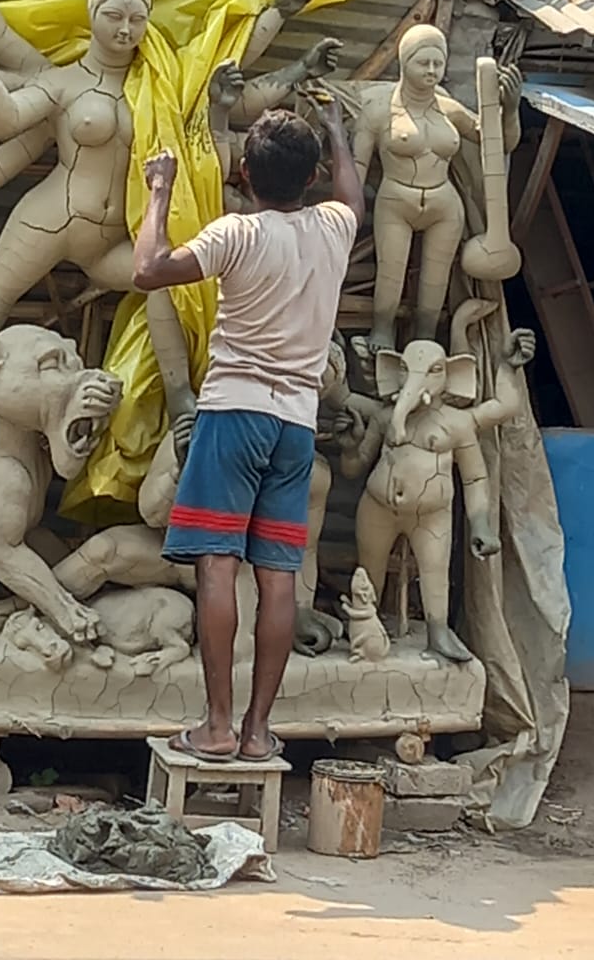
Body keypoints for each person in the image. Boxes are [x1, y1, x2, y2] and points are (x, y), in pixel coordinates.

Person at [131, 97, 364, 761]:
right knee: (278, 576)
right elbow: (354, 195)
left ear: (243, 173)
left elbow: (148, 269)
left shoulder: (236, 235)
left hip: (234, 414)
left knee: (217, 567)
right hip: (295, 426)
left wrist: (159, 190)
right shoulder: (334, 228)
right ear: (311, 176)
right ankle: (260, 732)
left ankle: (217, 726)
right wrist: (340, 134)